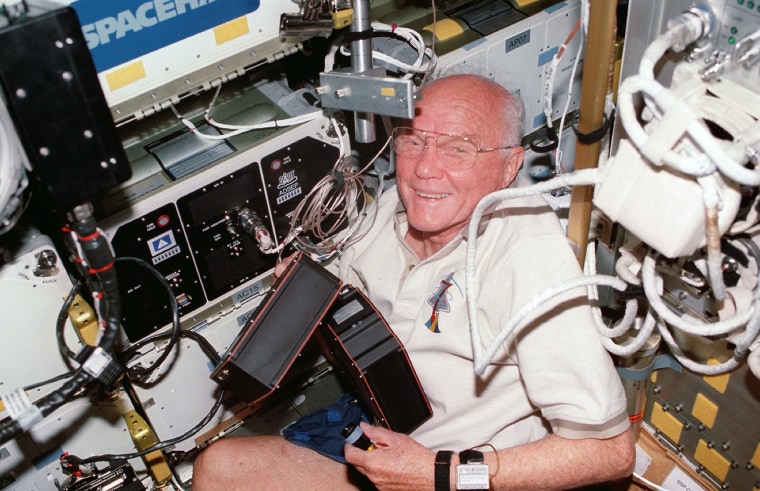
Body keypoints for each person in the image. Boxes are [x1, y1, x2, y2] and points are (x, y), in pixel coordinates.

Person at [192, 74, 635, 490]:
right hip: (383, 431)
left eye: (459, 149)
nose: (425, 169)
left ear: (509, 166)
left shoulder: (529, 258)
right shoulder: (389, 209)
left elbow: (610, 453)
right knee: (218, 467)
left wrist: (440, 474)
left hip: (464, 472)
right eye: (414, 141)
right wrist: (312, 294)